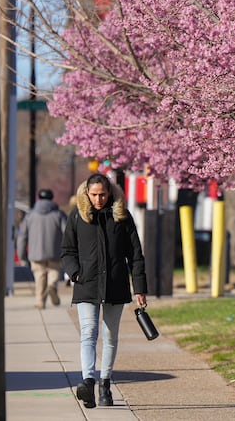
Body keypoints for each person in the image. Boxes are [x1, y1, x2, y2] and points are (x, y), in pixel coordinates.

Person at [61, 173, 148, 409]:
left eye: (102, 194)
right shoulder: (78, 216)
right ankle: (87, 382)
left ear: (109, 193)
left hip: (115, 285)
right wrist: (76, 274)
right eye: (94, 194)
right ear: (87, 193)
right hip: (87, 284)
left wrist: (139, 287)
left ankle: (105, 383)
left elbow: (136, 255)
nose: (98, 199)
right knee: (88, 333)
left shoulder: (122, 216)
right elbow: (67, 251)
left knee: (110, 336)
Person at [17, 188, 68, 309]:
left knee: (39, 276)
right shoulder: (59, 214)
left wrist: (22, 255)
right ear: (51, 198)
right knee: (54, 271)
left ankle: (40, 301)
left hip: (35, 252)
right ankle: (52, 286)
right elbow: (67, 233)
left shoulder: (30, 216)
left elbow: (22, 237)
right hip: (54, 251)